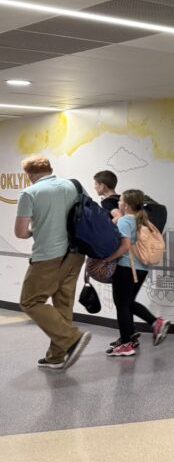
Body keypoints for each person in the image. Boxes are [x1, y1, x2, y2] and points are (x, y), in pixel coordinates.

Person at [14, 155, 91, 370]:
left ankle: (71, 338)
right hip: (76, 254)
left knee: (30, 301)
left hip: (48, 256)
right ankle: (57, 356)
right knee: (63, 303)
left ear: (29, 174)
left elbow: (20, 232)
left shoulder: (30, 193)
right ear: (50, 169)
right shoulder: (73, 185)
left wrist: (33, 231)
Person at [103, 189, 170, 357]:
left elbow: (125, 246)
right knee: (128, 303)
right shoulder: (145, 221)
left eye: (120, 201)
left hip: (126, 267)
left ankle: (127, 344)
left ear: (125, 204)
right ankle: (148, 327)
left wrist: (107, 259)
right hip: (142, 269)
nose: (118, 203)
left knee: (122, 305)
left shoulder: (125, 220)